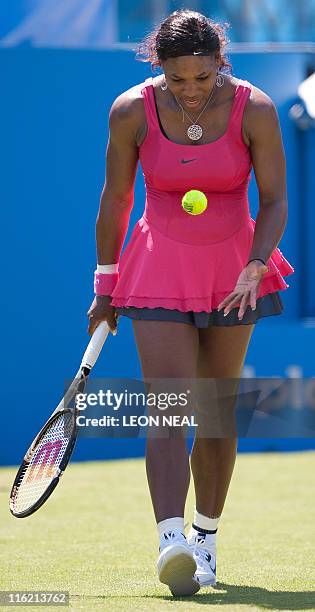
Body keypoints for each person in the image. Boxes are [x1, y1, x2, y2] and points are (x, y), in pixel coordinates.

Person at [87, 8, 294, 597]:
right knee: (169, 407)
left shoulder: (255, 108)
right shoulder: (132, 109)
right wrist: (106, 284)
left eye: (202, 78)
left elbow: (276, 199)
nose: (191, 90)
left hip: (235, 269)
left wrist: (257, 262)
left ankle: (205, 537)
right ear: (160, 67)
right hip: (157, 265)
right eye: (178, 80)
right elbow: (116, 198)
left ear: (220, 63)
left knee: (218, 409)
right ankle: (171, 540)